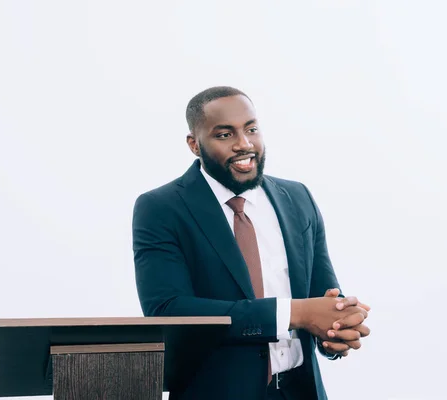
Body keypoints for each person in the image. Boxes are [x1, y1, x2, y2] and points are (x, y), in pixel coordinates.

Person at [132, 86, 371, 400]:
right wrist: (295, 314)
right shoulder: (161, 208)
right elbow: (169, 311)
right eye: (224, 135)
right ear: (194, 144)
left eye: (251, 129)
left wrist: (337, 326)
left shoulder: (297, 198)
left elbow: (321, 295)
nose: (244, 144)